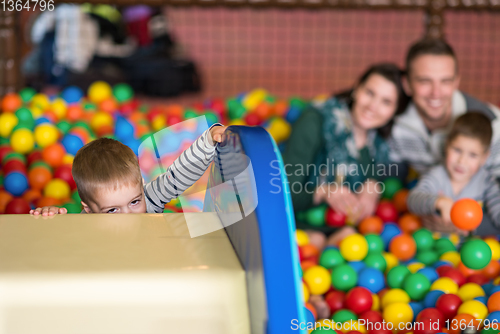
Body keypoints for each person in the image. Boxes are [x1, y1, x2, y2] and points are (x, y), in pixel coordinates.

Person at [283, 63, 408, 225]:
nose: (373, 106)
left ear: (395, 111)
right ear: (357, 89)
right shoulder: (315, 121)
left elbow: (384, 173)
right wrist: (323, 192)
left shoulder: (379, 143)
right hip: (298, 226)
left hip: (347, 233)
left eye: (386, 102)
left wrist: (373, 185)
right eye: (369, 93)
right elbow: (279, 194)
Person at [30, 124, 226, 215]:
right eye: (112, 210)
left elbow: (179, 174)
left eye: (134, 202)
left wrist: (208, 140)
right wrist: (52, 218)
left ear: (141, 185)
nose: (128, 216)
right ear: (88, 210)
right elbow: (64, 241)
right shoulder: (85, 223)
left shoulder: (149, 199)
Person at [390, 38, 500, 178]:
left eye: (445, 81)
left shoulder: (494, 129)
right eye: (425, 81)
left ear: (456, 82)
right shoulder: (395, 122)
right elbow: (389, 174)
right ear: (407, 84)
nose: (436, 93)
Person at [407, 112, 500, 236]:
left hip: (472, 249)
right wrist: (438, 202)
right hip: (433, 245)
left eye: (473, 155)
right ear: (447, 145)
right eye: (457, 150)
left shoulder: (487, 182)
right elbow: (412, 201)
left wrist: (468, 227)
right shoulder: (436, 176)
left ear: (484, 157)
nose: (462, 161)